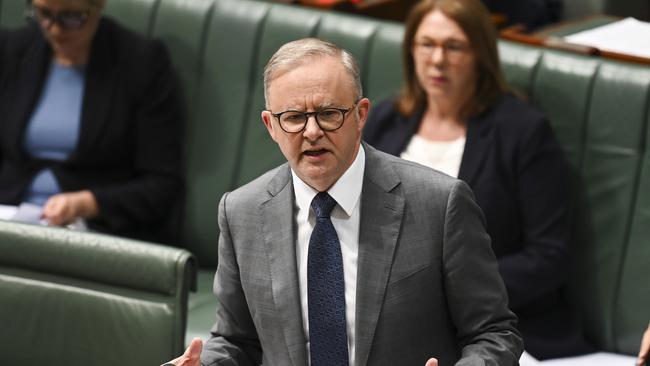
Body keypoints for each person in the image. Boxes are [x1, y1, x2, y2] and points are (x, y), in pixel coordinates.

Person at [165, 37, 522, 366]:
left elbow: (495, 333)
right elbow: (236, 340)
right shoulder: (240, 212)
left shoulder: (439, 204)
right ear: (270, 126)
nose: (312, 131)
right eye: (293, 118)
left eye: (328, 113)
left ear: (361, 114)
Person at [363, 0, 593, 360]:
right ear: (411, 50)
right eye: (427, 44)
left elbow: (549, 256)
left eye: (453, 46)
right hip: (392, 323)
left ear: (480, 54)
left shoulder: (522, 131)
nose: (437, 60)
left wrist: (447, 291)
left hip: (501, 328)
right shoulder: (384, 120)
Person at [0, 0, 183, 241]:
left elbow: (162, 185)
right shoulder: (11, 50)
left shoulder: (141, 62)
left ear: (98, 6)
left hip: (96, 230)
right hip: (10, 215)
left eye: (71, 18)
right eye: (43, 14)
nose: (54, 29)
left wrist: (87, 203)